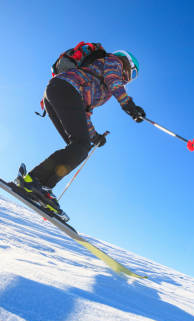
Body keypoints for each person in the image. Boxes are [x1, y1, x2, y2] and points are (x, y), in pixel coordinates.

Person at [12, 49, 145, 216]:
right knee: (81, 147)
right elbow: (113, 80)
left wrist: (94, 136)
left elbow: (84, 112)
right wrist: (128, 105)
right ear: (128, 65)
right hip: (66, 89)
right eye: (132, 74)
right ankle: (35, 182)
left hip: (57, 91)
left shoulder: (98, 82)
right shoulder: (114, 62)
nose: (128, 79)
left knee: (79, 147)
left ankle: (38, 186)